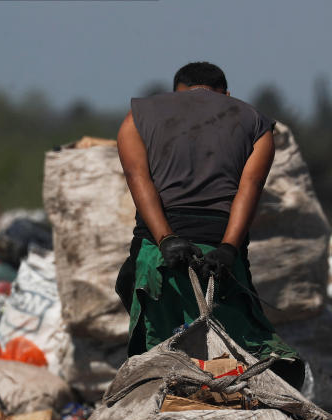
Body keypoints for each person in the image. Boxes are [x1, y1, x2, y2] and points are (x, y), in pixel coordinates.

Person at [114, 61, 304, 388]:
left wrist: (167, 240)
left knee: (156, 361)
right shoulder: (256, 122)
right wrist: (228, 248)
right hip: (220, 255)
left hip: (158, 257)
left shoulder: (138, 118)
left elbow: (138, 179)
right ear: (226, 94)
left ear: (177, 92)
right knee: (243, 357)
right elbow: (250, 188)